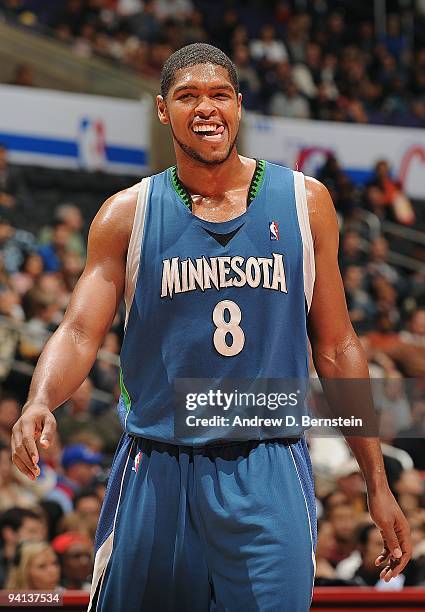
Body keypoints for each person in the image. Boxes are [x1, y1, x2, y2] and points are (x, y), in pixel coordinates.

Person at [11, 43, 411, 611]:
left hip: (268, 461)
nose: (206, 109)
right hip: (159, 460)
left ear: (240, 106)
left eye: (219, 95)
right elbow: (79, 331)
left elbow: (338, 344)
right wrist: (39, 400)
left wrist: (376, 480)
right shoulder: (127, 213)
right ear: (162, 110)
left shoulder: (305, 202)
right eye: (187, 97)